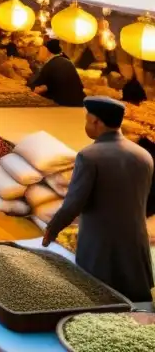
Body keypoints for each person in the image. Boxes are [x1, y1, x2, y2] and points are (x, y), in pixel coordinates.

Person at [43, 96, 154, 302]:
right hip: (135, 243)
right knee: (136, 301)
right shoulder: (144, 155)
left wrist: (52, 229)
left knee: (97, 298)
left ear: (96, 122)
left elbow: (73, 204)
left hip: (100, 246)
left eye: (87, 119)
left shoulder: (89, 156)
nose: (85, 124)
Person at [29, 39, 86, 107]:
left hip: (62, 106)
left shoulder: (51, 65)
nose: (37, 53)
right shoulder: (67, 62)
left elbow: (36, 86)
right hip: (78, 103)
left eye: (38, 51)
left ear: (47, 50)